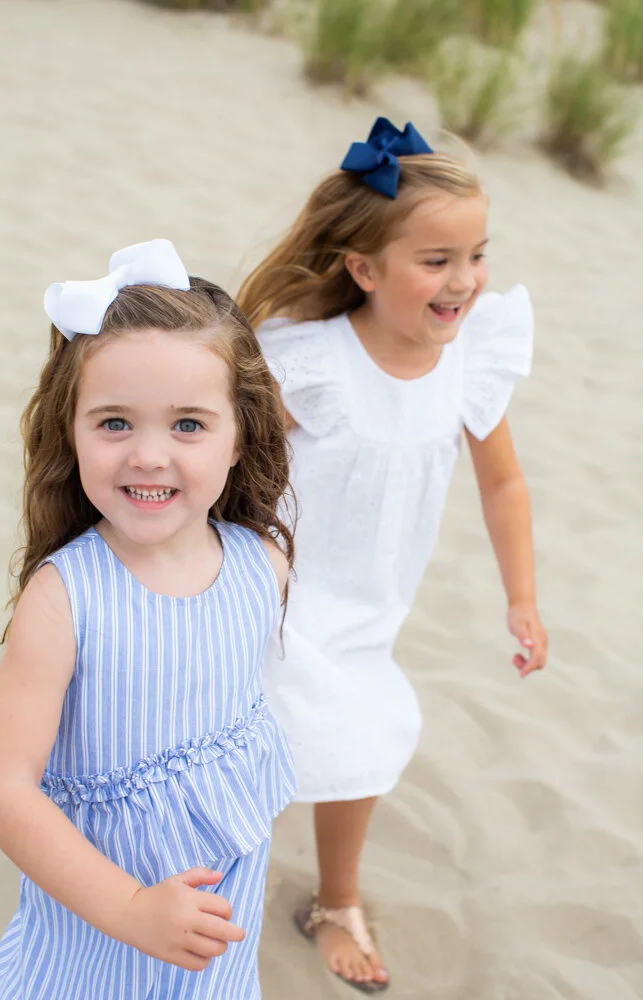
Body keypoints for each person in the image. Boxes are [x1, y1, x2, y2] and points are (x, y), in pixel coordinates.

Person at [237, 118, 548, 994]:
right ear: (362, 268)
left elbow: (504, 486)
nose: (464, 282)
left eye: (476, 255)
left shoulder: (469, 365)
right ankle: (196, 883)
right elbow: (237, 472)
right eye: (436, 260)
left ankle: (337, 899)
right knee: (242, 743)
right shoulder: (311, 365)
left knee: (363, 744)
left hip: (368, 610)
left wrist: (519, 599)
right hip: (272, 593)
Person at [0, 239, 296, 1000]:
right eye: (114, 423)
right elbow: (3, 787)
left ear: (240, 434)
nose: (149, 455)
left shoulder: (262, 566)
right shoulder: (67, 597)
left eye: (188, 425)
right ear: (72, 432)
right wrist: (129, 907)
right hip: (96, 931)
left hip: (214, 925)